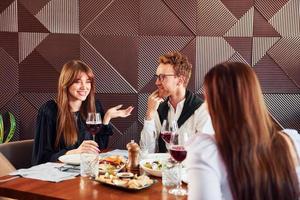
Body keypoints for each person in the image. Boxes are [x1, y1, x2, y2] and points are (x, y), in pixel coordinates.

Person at [186, 62, 299, 200]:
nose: (204, 106)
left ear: (219, 104)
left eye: (207, 99)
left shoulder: (207, 151)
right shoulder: (292, 142)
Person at [32, 60, 134, 165]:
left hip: (85, 171)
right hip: (59, 175)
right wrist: (73, 152)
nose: (84, 87)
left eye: (88, 81)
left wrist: (106, 118)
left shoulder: (94, 106)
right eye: (78, 81)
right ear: (66, 83)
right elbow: (41, 158)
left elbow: (99, 149)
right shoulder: (49, 111)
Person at [140, 51, 213, 153]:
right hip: (163, 168)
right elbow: (147, 152)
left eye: (162, 77)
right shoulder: (159, 108)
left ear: (180, 80)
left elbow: (205, 154)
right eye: (157, 77)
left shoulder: (201, 110)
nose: (157, 82)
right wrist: (150, 114)